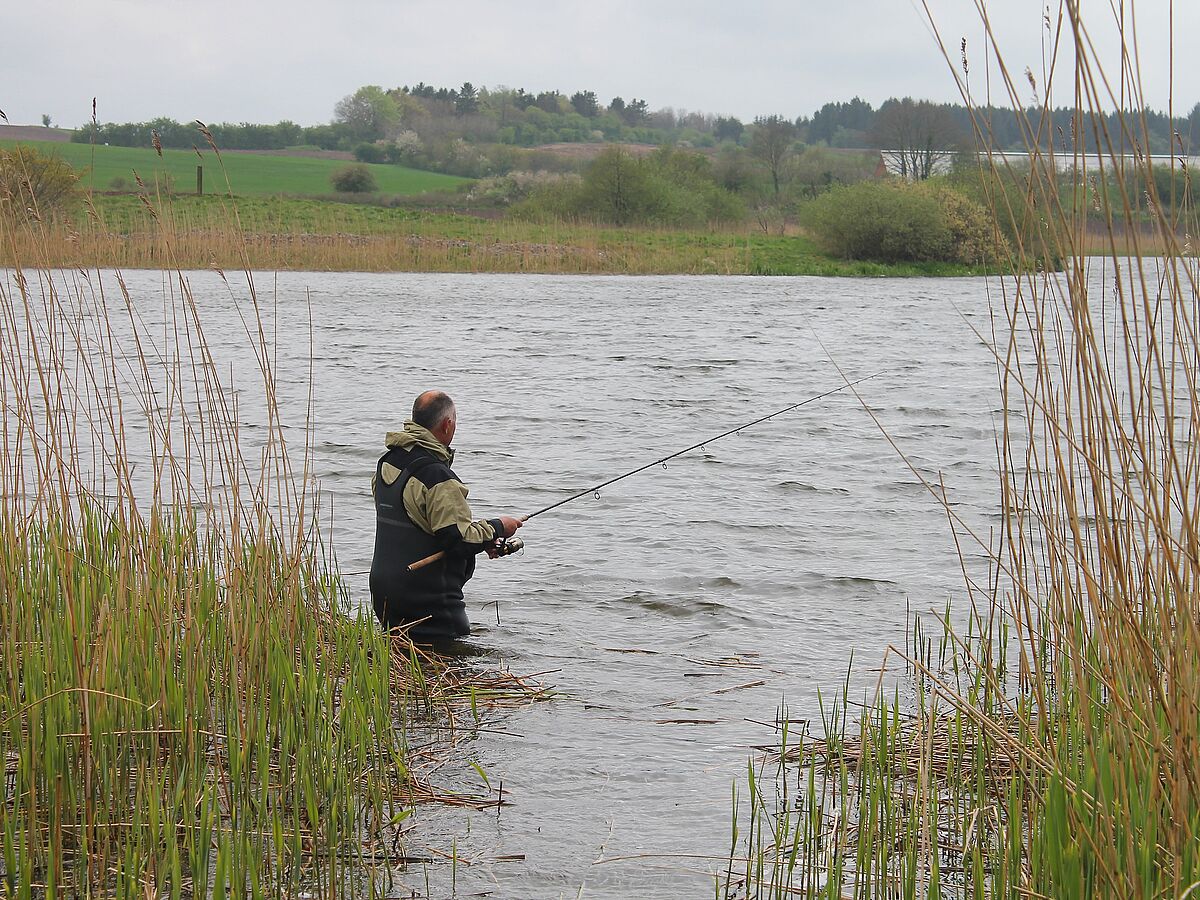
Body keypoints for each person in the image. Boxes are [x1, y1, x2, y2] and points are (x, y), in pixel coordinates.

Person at [370, 390, 523, 639]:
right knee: (452, 664)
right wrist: (498, 527)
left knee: (403, 665)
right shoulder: (438, 477)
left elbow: (420, 524)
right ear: (447, 425)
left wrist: (483, 540)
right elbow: (457, 539)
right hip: (429, 601)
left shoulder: (388, 462)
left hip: (385, 593)